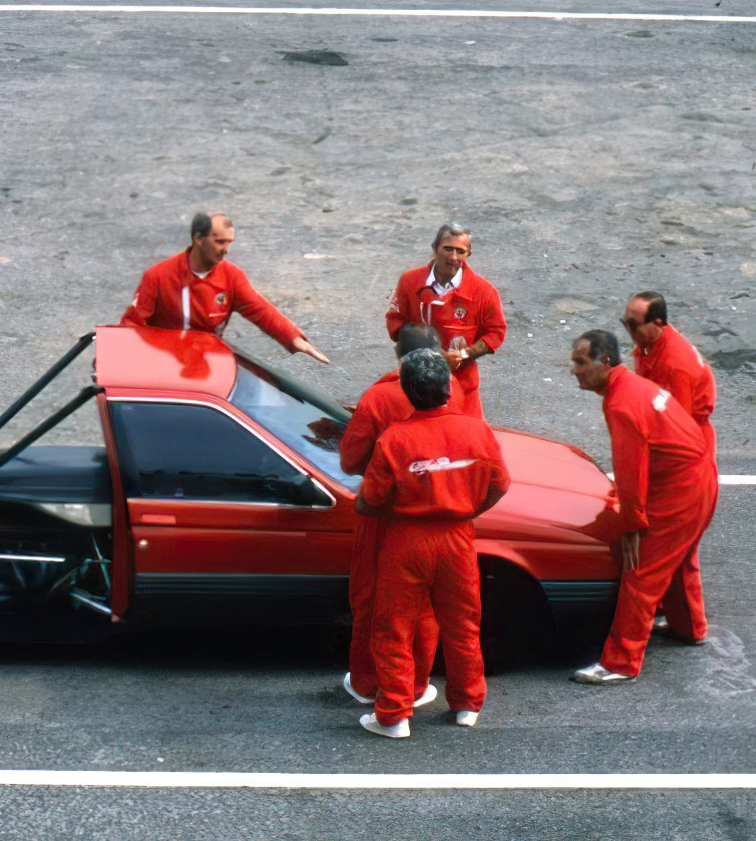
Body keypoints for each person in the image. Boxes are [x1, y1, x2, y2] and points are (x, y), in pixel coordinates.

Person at [356, 349, 509, 738]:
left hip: (406, 541)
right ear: (446, 388)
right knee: (462, 624)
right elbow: (500, 485)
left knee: (393, 627)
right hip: (458, 538)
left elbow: (369, 502)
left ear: (408, 392)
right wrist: (468, 508)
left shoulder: (394, 439)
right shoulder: (477, 431)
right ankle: (467, 704)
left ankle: (394, 714)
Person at [569, 330, 718, 684]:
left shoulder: (620, 404)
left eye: (580, 362)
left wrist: (630, 525)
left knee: (641, 572)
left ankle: (620, 662)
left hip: (680, 490)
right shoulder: (632, 385)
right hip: (698, 479)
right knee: (680, 558)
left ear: (604, 363)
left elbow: (630, 472)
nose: (573, 370)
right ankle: (690, 628)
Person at [337, 324, 470, 710]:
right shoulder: (454, 389)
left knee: (373, 601)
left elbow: (349, 460)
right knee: (426, 608)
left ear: (399, 355)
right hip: (442, 512)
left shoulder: (378, 398)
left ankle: (368, 684)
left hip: (385, 514)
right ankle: (416, 684)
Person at [121, 212, 330, 363]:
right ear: (198, 239)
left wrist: (293, 339)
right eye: (220, 242)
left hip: (204, 363)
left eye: (230, 242)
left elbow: (261, 310)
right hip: (162, 361)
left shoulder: (231, 277)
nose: (226, 250)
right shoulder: (158, 276)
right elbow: (131, 326)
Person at [385, 224, 507, 419]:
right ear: (435, 248)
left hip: (463, 385)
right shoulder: (410, 281)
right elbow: (396, 322)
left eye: (461, 251)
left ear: (469, 253)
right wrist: (431, 355)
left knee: (465, 442)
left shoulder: (484, 291)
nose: (453, 257)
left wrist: (463, 355)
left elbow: (496, 332)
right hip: (415, 386)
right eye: (448, 248)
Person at [623, 291, 716, 462]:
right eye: (625, 323)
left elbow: (679, 430)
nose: (629, 331)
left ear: (657, 323)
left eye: (633, 325)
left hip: (686, 457)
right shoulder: (652, 342)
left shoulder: (675, 368)